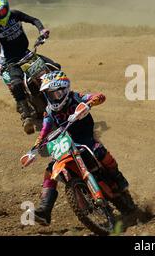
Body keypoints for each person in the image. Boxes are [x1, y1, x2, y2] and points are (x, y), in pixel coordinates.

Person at [31, 71, 132, 226]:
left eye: (57, 93)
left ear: (65, 90)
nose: (54, 97)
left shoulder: (75, 97)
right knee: (50, 171)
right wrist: (37, 144)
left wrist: (91, 101)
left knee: (99, 151)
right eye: (50, 95)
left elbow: (96, 96)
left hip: (85, 138)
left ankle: (117, 176)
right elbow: (45, 129)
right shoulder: (49, 111)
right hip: (65, 142)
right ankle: (45, 209)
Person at [0, 0, 59, 134]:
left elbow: (34, 20)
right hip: (11, 61)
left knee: (54, 67)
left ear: (7, 6)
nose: (0, 15)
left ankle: (64, 96)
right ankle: (26, 116)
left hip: (26, 53)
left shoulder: (15, 15)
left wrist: (42, 29)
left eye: (2, 11)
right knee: (17, 84)